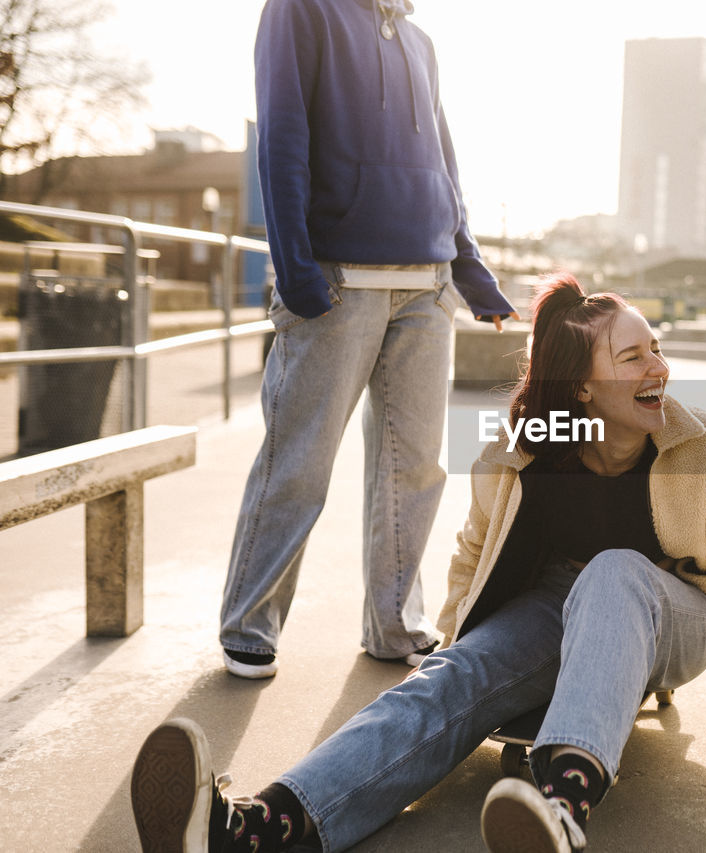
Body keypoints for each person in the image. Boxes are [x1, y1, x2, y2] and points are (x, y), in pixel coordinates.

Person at [131, 273, 706, 853]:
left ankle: (560, 806)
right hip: (553, 606)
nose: (659, 365)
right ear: (582, 388)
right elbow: (471, 557)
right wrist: (460, 650)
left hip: (673, 614)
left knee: (616, 569)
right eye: (634, 355)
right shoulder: (518, 455)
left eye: (657, 346)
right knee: (447, 676)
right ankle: (258, 827)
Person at [220, 0, 515, 680]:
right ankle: (249, 622)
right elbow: (283, 137)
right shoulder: (301, 10)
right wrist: (293, 264)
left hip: (427, 284)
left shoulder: (420, 39)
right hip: (336, 281)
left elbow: (444, 165)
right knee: (300, 462)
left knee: (412, 468)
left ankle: (395, 623)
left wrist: (469, 270)